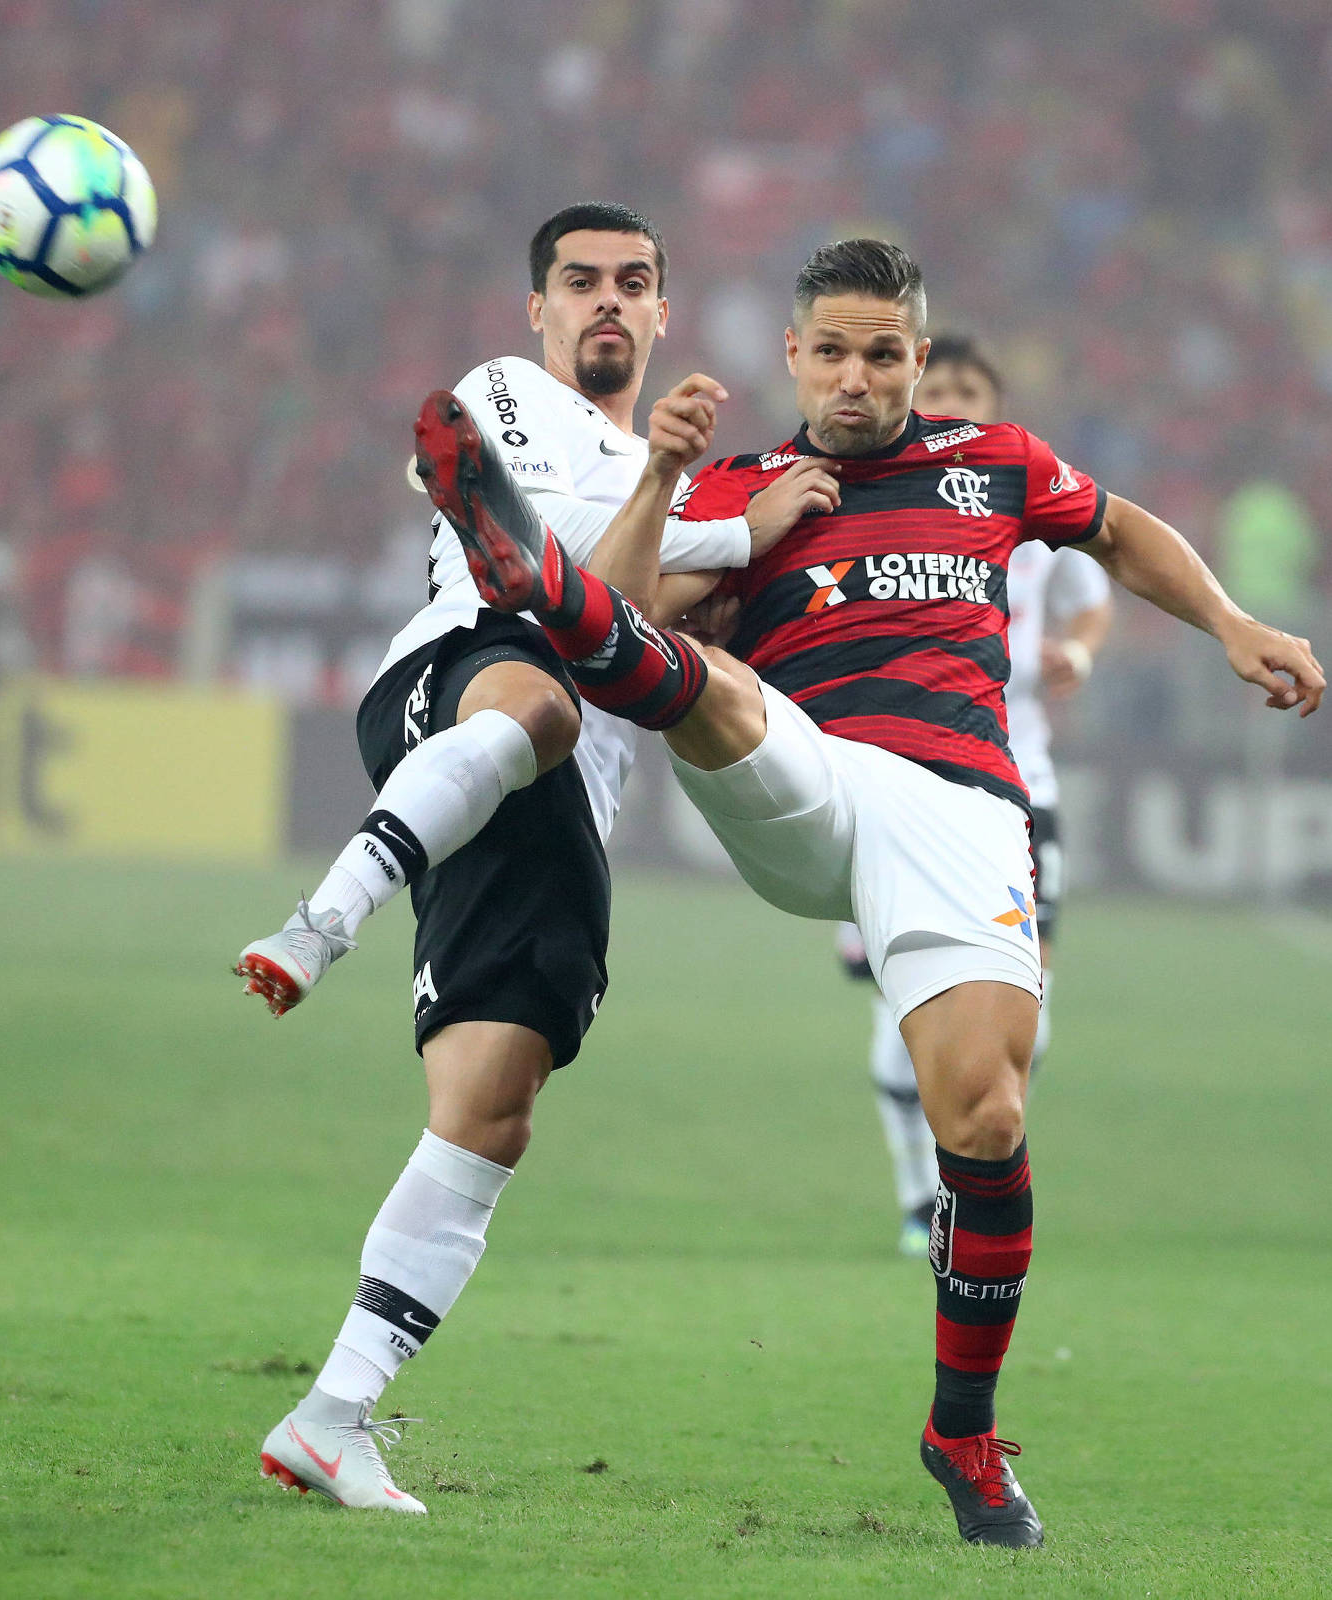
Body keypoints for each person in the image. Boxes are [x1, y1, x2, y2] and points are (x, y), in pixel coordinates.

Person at [416, 238, 1323, 1547]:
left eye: (882, 353)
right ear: (794, 356)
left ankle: (962, 1433)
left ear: (916, 359)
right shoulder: (742, 485)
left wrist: (1233, 621)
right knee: (688, 669)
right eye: (831, 352)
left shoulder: (994, 464)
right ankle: (538, 578)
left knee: (992, 1116)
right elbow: (611, 634)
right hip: (807, 772)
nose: (855, 378)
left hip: (960, 815)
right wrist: (671, 479)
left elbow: (1118, 533)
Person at [236, 203, 834, 1512]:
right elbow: (564, 585)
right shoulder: (503, 397)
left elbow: (624, 603)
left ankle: (332, 1414)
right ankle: (320, 921)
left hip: (569, 795)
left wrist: (717, 530)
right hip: (464, 682)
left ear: (667, 311)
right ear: (538, 309)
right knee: (542, 678)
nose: (606, 301)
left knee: (488, 1116)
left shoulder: (688, 472)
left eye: (632, 283)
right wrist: (718, 518)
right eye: (580, 282)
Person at [832, 334, 1113, 1258]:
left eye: (970, 389)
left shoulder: (1028, 510)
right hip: (902, 790)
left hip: (1021, 792)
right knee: (902, 1009)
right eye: (937, 385)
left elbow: (1095, 583)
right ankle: (923, 1203)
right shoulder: (875, 497)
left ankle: (965, 1182)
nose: (951, 400)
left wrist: (1079, 649)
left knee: (1021, 1023)